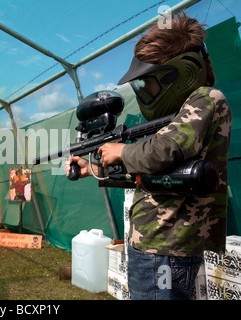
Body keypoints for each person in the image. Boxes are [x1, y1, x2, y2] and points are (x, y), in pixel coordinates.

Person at [65, 12, 232, 300]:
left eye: (150, 82)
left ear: (183, 72)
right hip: (153, 244)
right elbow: (149, 176)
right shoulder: (178, 117)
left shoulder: (206, 98)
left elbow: (165, 151)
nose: (146, 91)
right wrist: (94, 166)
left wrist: (122, 151)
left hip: (167, 245)